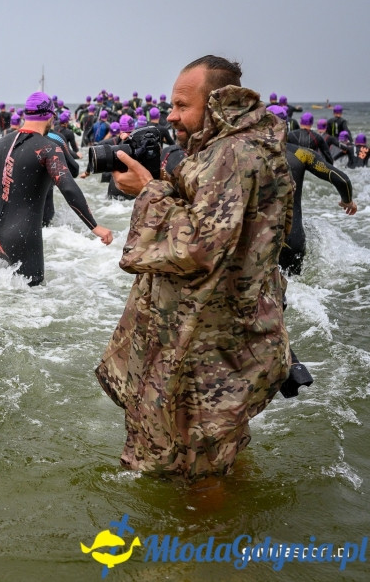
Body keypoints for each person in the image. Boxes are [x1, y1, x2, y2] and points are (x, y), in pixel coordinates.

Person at [96, 55, 294, 479]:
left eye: (182, 105)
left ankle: (212, 523)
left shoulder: (232, 154)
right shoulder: (233, 148)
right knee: (209, 453)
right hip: (214, 333)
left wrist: (149, 191)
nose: (171, 115)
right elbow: (220, 230)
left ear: (217, 102)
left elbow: (198, 246)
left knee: (198, 469)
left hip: (209, 345)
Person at [0, 92, 113, 286]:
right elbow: (68, 187)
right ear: (50, 116)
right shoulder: (48, 148)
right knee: (33, 298)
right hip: (21, 238)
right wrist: (94, 226)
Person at [281, 143, 355, 276]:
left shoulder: (244, 152)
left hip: (255, 241)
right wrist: (347, 201)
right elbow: (342, 180)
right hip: (293, 240)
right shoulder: (301, 154)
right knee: (293, 286)